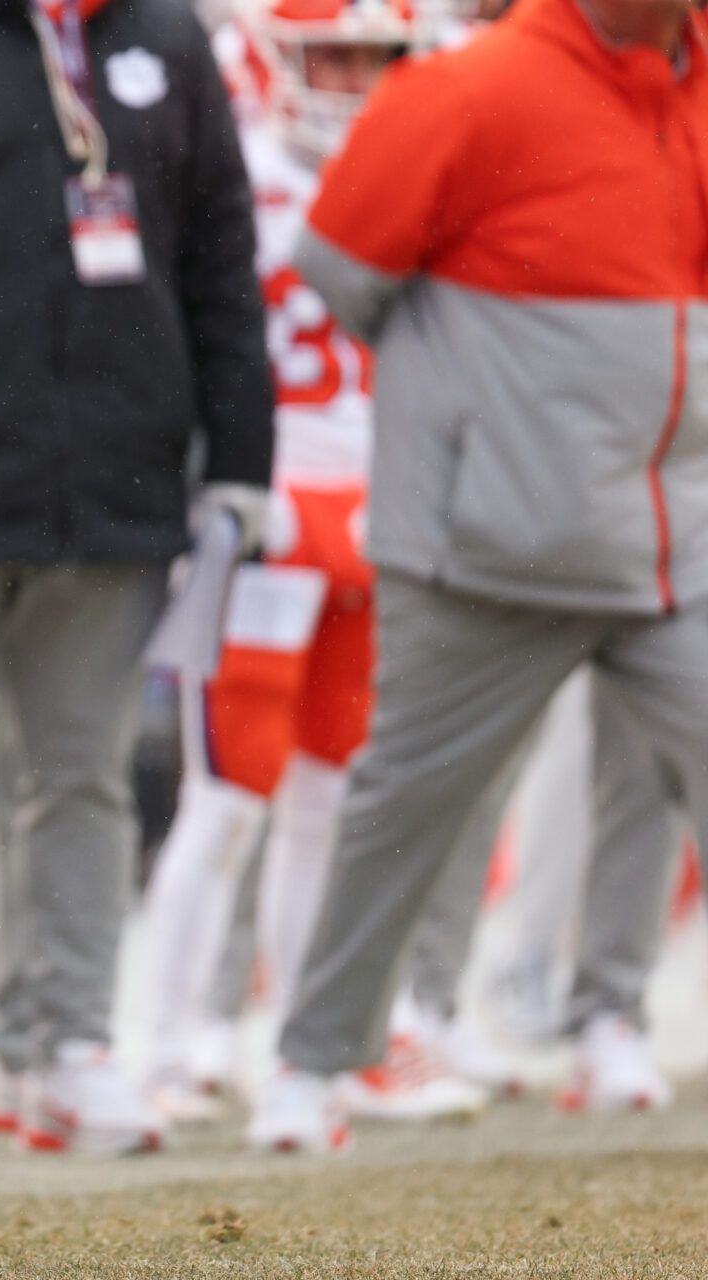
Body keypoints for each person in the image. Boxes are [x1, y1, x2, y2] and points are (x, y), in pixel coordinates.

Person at [253, 0, 708, 1153]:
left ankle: (604, 1016)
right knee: (403, 806)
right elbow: (340, 264)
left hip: (674, 533)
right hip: (483, 544)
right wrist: (483, 407)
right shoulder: (463, 89)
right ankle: (313, 1062)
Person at [0, 0, 272, 1153]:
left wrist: (240, 458)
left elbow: (222, 249)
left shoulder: (168, 35)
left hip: (121, 481)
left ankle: (68, 1042)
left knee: (80, 775)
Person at [138, 0, 491, 1129]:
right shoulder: (234, 167)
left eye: (368, 55)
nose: (345, 78)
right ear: (273, 56)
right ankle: (166, 1042)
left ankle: (307, 1038)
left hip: (379, 510)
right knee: (230, 796)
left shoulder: (416, 168)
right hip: (269, 512)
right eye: (325, 52)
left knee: (334, 797)